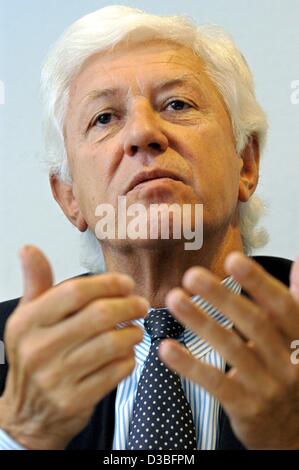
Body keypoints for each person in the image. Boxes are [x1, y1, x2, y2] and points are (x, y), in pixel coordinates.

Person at [0, 5, 299, 450]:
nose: (142, 133)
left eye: (177, 104)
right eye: (104, 118)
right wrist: (24, 438)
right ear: (68, 196)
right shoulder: (14, 358)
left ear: (247, 164)